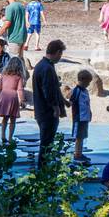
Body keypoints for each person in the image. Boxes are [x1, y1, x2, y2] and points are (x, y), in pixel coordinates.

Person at [32, 39, 68, 167]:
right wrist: (56, 108)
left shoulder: (43, 65)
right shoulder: (47, 68)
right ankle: (43, 169)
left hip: (41, 110)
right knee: (46, 143)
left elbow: (52, 88)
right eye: (61, 54)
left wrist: (63, 101)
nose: (60, 57)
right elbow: (48, 91)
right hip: (46, 111)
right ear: (57, 52)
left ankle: (44, 167)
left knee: (46, 142)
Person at [0, 56, 25, 144]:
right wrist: (22, 100)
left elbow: (0, 87)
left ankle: (3, 135)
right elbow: (20, 89)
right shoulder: (18, 76)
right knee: (13, 119)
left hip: (3, 95)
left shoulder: (3, 75)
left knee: (5, 118)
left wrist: (0, 95)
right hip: (13, 97)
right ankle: (10, 138)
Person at [0, 0, 29, 74]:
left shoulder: (9, 7)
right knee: (20, 58)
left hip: (14, 36)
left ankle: (16, 78)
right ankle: (23, 76)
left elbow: (8, 23)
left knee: (14, 59)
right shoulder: (21, 6)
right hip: (23, 35)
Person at [68, 69, 94, 166]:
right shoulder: (77, 90)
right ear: (82, 80)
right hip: (79, 117)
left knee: (82, 136)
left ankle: (80, 153)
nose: (88, 84)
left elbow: (87, 103)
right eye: (88, 82)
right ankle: (77, 154)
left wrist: (90, 113)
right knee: (78, 137)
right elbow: (71, 102)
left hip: (85, 117)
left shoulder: (85, 91)